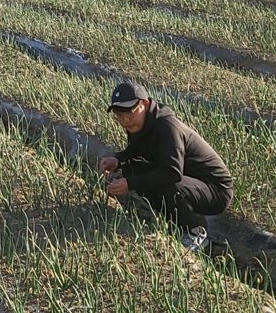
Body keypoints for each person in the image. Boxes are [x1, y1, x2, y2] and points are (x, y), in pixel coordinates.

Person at [98, 80, 233, 253]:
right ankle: (170, 221)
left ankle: (195, 236)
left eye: (129, 113)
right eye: (119, 115)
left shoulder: (167, 126)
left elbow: (172, 172)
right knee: (135, 169)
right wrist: (117, 159)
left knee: (165, 183)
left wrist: (130, 184)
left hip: (216, 190)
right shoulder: (138, 124)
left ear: (144, 104)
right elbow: (135, 150)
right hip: (190, 181)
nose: (124, 120)